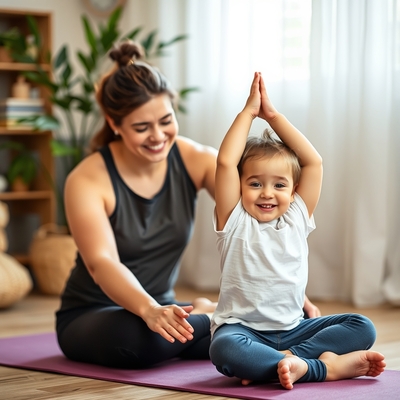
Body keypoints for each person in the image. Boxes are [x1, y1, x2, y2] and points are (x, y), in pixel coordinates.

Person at [55, 41, 320, 369]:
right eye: (142, 127)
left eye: (166, 120)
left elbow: (260, 207)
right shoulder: (87, 179)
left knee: (246, 328)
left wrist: (278, 290)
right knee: (139, 341)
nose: (158, 136)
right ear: (114, 123)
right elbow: (101, 262)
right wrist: (149, 310)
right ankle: (210, 317)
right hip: (98, 314)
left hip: (167, 311)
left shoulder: (194, 159)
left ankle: (216, 324)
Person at [209, 72, 386, 389]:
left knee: (362, 326)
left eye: (279, 185)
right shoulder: (233, 218)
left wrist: (273, 116)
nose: (266, 193)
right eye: (255, 183)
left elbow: (313, 162)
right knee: (223, 348)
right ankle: (322, 368)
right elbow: (224, 162)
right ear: (239, 187)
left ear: (294, 192)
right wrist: (248, 113)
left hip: (293, 328)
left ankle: (285, 362)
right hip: (244, 329)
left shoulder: (296, 216)